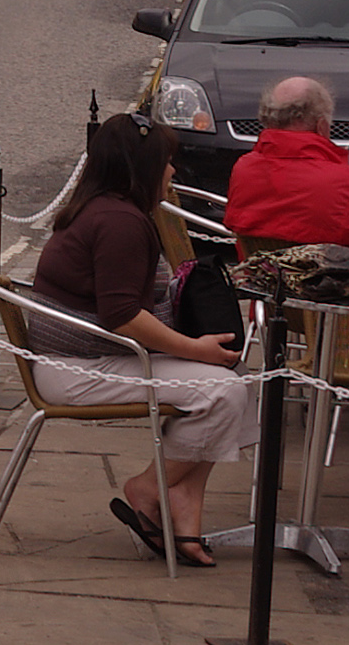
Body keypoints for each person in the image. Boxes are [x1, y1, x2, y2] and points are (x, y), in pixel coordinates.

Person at [26, 113, 256, 568]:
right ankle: (149, 489)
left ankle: (185, 496)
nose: (173, 171)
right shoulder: (119, 222)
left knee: (242, 381)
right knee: (225, 389)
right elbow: (123, 316)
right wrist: (196, 350)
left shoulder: (102, 208)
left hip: (84, 359)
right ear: (142, 166)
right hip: (77, 370)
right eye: (167, 161)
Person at [221, 77, 349, 254]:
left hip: (261, 281)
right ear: (322, 126)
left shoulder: (244, 169)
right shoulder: (342, 183)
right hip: (333, 287)